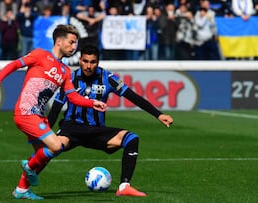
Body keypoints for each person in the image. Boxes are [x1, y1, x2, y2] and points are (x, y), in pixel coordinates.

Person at [0, 24, 107, 200]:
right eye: (72, 42)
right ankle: (28, 166)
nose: (74, 47)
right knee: (56, 146)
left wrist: (91, 103)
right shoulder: (40, 55)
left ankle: (21, 189)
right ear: (59, 41)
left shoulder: (65, 71)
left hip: (39, 116)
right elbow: (15, 64)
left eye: (75, 43)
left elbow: (72, 96)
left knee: (43, 156)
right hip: (26, 112)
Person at [47, 44, 174, 197]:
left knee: (131, 139)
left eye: (92, 62)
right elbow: (55, 108)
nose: (88, 66)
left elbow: (133, 97)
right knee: (50, 148)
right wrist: (44, 133)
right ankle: (25, 184)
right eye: (85, 61)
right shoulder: (69, 79)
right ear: (79, 60)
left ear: (98, 62)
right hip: (72, 129)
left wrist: (158, 115)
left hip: (96, 131)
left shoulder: (108, 78)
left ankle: (124, 186)